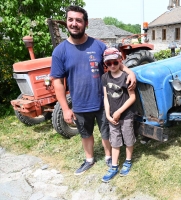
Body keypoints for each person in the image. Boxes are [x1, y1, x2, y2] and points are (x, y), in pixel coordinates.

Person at [50, 5, 136, 176]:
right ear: (66, 22)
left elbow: (116, 61)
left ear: (86, 23)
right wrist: (65, 109)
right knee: (85, 133)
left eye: (78, 20)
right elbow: (57, 82)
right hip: (80, 102)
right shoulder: (60, 51)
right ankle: (89, 159)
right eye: (71, 20)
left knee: (106, 132)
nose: (74, 24)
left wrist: (130, 72)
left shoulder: (98, 46)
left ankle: (109, 157)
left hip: (103, 102)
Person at [101, 48, 136, 182]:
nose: (112, 66)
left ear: (120, 61)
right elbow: (106, 97)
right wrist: (109, 115)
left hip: (126, 115)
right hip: (112, 118)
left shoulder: (126, 77)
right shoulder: (105, 77)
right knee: (114, 141)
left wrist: (119, 111)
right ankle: (114, 166)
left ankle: (127, 161)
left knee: (128, 139)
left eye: (115, 62)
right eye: (108, 64)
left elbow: (132, 97)